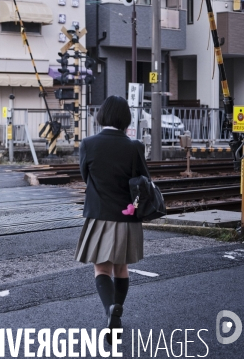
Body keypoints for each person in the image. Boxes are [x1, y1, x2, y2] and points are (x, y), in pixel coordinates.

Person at [75, 95, 149, 344]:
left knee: (101, 268)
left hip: (99, 215)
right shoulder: (135, 146)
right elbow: (144, 182)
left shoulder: (88, 144)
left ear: (102, 116)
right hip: (128, 217)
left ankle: (110, 310)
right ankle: (117, 310)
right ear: (125, 119)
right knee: (121, 268)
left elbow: (86, 177)